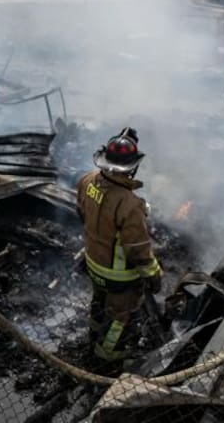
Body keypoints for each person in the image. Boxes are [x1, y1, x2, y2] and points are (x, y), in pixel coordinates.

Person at [76, 129, 162, 365]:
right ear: (132, 166)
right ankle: (107, 358)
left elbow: (81, 213)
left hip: (93, 264)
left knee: (98, 300)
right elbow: (138, 249)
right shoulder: (129, 203)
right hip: (120, 278)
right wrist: (154, 275)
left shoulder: (87, 181)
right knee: (119, 318)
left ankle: (94, 332)